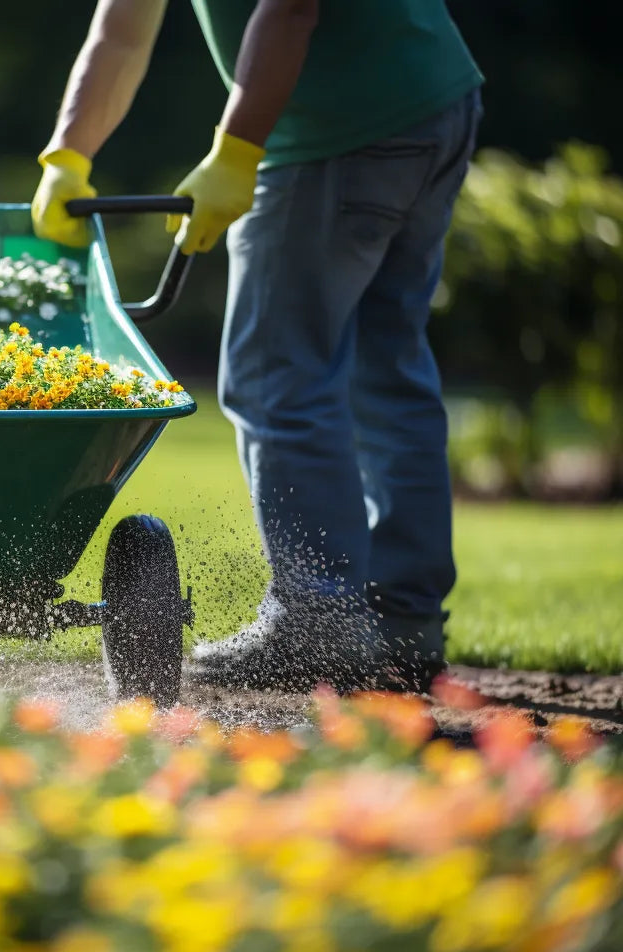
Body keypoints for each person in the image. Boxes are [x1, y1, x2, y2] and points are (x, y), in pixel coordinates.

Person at [31, 0, 483, 692]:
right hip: (432, 103)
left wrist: (236, 153)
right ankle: (400, 623)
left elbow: (293, 6)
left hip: (340, 133)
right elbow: (121, 30)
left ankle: (319, 623)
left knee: (278, 376)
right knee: (385, 368)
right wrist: (68, 153)